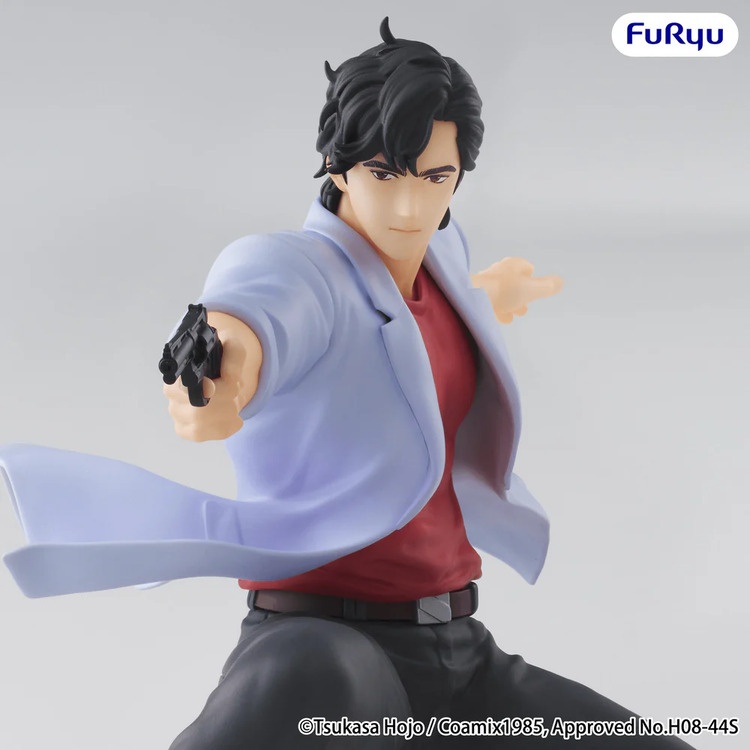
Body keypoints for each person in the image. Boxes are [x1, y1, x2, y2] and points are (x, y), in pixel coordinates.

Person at [1, 18, 694, 749]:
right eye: (383, 174)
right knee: (311, 686)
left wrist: (490, 292)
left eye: (435, 178)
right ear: (336, 165)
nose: (409, 207)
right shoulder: (296, 267)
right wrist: (223, 370)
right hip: (327, 646)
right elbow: (257, 314)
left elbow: (414, 329)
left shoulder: (442, 254)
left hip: (460, 653)